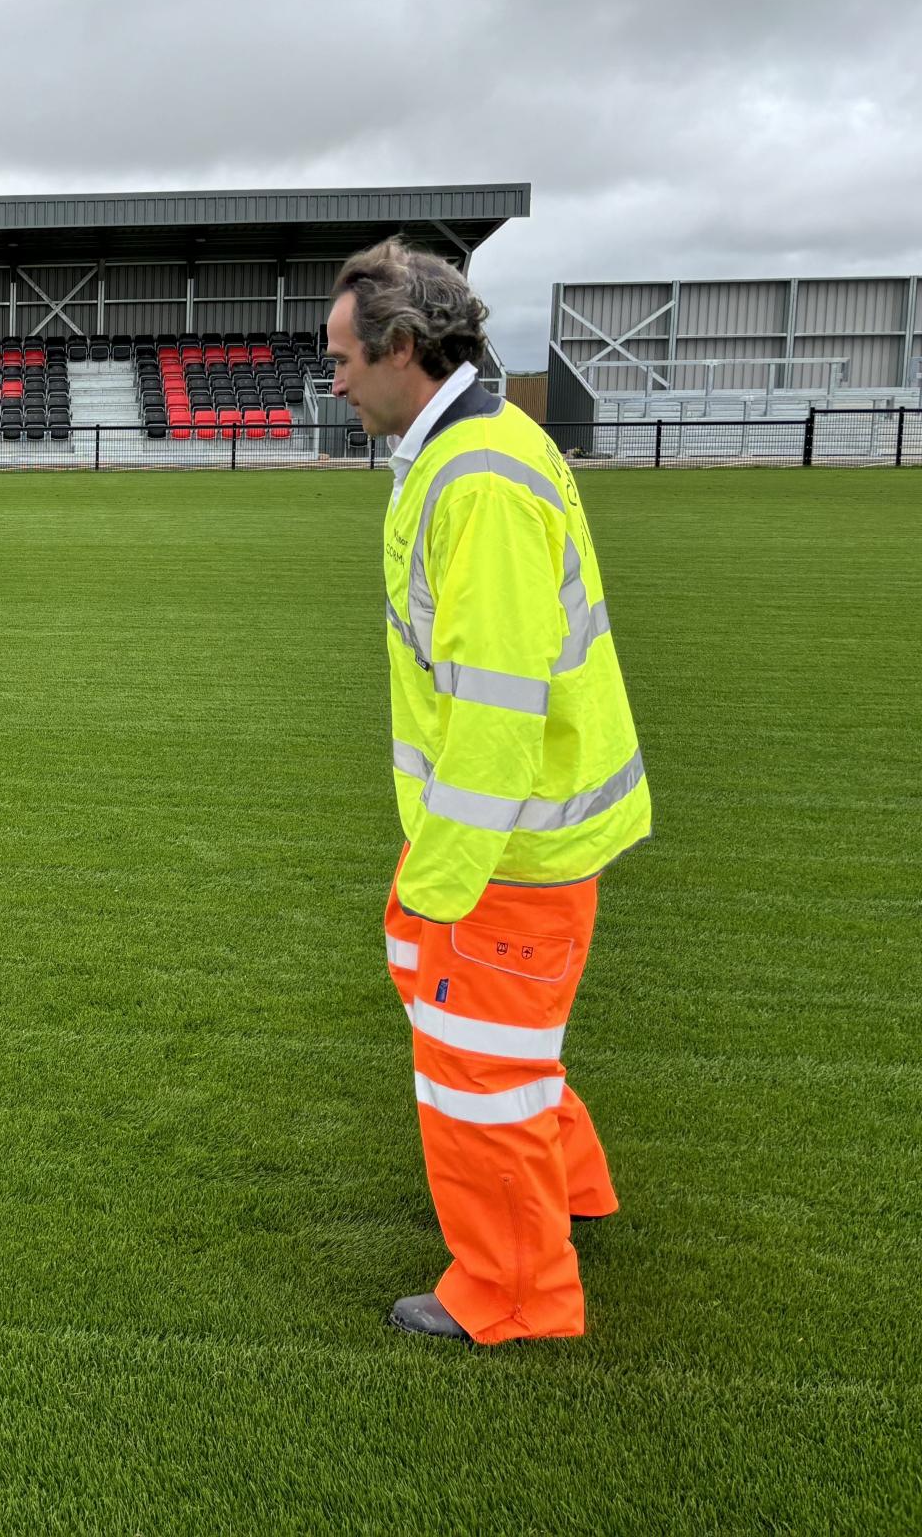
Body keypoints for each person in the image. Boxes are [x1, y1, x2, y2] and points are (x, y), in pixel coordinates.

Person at [323, 240, 651, 1344]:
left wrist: (442, 883)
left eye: (342, 357)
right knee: (513, 1051)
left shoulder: (480, 484)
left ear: (402, 349)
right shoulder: (477, 450)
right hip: (524, 834)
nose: (333, 380)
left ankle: (516, 1292)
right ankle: (574, 1190)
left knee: (478, 1072)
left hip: (509, 852)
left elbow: (496, 712)